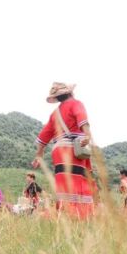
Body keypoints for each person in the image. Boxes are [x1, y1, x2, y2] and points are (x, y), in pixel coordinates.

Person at [32, 82, 96, 219]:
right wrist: (87, 135)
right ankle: (79, 215)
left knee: (64, 183)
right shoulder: (76, 103)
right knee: (79, 181)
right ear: (71, 93)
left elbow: (45, 134)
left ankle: (64, 213)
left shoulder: (55, 114)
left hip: (58, 151)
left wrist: (39, 155)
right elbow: (82, 117)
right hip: (73, 150)